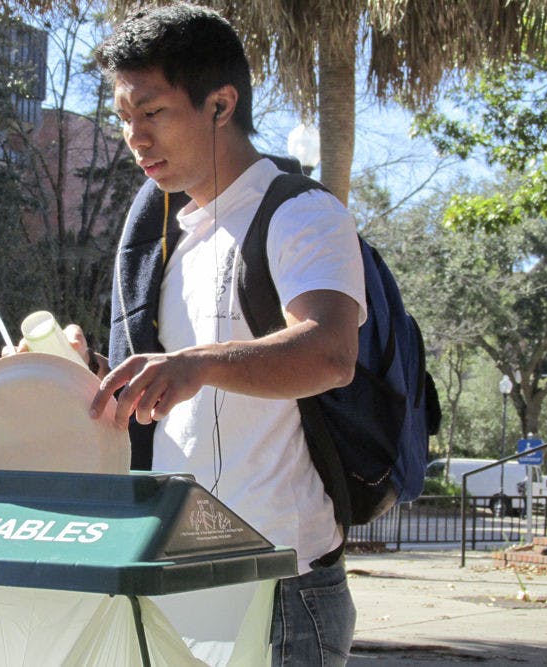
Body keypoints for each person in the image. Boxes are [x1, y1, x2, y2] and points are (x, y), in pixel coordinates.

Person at [84, 5, 366, 664]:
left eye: (152, 113)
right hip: (179, 581)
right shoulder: (170, 239)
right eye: (124, 119)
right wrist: (90, 367)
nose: (135, 138)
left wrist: (195, 364)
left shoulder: (301, 214)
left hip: (280, 592)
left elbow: (330, 350)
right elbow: (181, 393)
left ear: (220, 103)